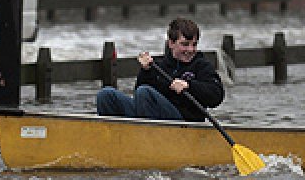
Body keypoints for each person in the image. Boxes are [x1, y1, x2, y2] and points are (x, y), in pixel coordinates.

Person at [96, 17, 224, 121]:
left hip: (184, 123)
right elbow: (138, 98)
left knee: (145, 92)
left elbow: (216, 96)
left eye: (194, 44)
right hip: (154, 119)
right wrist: (146, 71)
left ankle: (147, 141)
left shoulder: (202, 66)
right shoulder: (159, 66)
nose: (190, 50)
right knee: (106, 94)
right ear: (171, 44)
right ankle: (115, 140)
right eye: (185, 45)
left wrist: (189, 86)